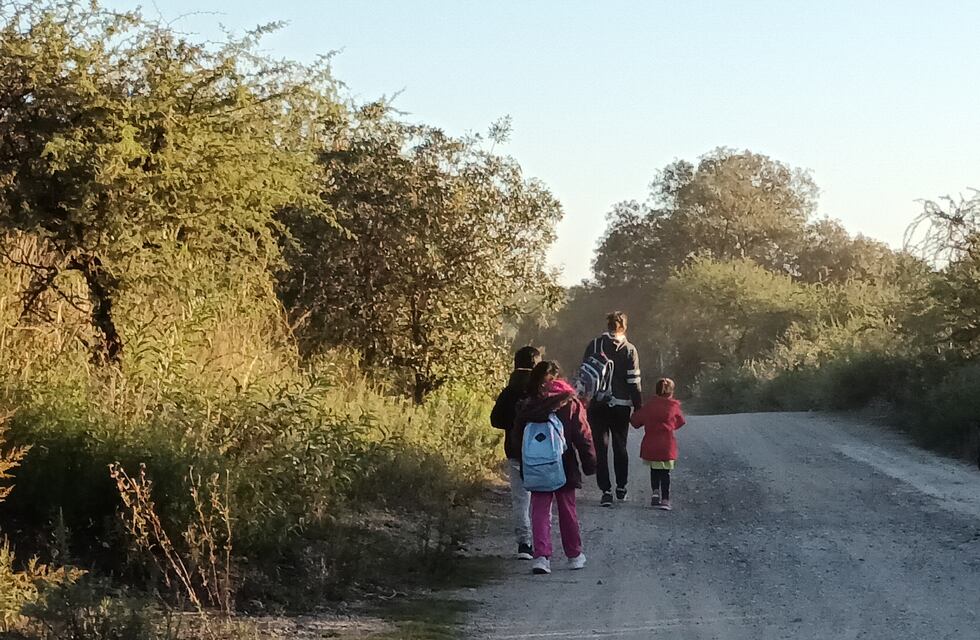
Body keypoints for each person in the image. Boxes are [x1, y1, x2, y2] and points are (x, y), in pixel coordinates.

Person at [514, 361, 597, 575]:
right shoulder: (570, 402)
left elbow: (517, 437)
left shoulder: (529, 404)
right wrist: (590, 462)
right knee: (567, 509)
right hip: (564, 462)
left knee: (540, 510)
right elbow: (583, 435)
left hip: (536, 465)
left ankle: (541, 557)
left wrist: (521, 460)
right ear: (558, 378)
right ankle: (574, 555)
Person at [583, 311, 642, 507]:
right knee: (620, 446)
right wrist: (638, 406)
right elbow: (633, 381)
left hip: (597, 404)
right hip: (621, 405)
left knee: (601, 447)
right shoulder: (629, 349)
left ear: (607, 325)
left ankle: (605, 491)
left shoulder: (595, 344)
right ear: (624, 326)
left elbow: (585, 375)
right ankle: (621, 487)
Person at [490, 346, 542, 560]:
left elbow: (495, 420)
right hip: (541, 452)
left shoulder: (509, 391)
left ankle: (524, 544)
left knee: (521, 499)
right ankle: (542, 543)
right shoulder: (541, 391)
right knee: (541, 499)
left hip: (514, 451)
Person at [630, 378, 686, 511]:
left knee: (654, 470)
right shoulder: (674, 406)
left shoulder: (649, 406)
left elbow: (635, 422)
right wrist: (670, 426)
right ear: (671, 392)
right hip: (667, 445)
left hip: (651, 444)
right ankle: (665, 499)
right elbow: (681, 421)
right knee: (665, 473)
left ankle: (655, 494)